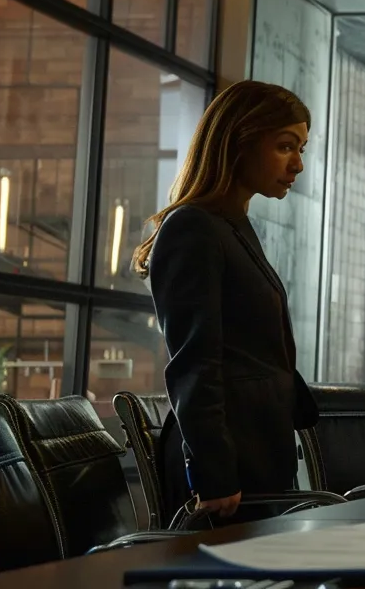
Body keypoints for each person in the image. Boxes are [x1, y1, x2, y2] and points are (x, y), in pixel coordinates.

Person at [134, 80, 318, 522]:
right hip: (226, 465)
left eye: (301, 149)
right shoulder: (193, 227)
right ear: (239, 142)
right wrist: (214, 470)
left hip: (257, 448)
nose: (297, 164)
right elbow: (194, 361)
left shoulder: (231, 227)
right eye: (285, 146)